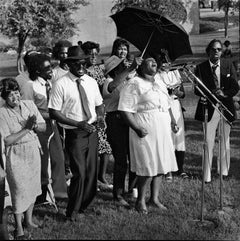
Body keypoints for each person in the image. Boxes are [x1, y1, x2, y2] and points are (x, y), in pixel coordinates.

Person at [48, 46, 105, 221]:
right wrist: (78, 123)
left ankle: (83, 206)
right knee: (79, 173)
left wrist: (101, 117)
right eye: (76, 64)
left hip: (92, 131)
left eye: (83, 63)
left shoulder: (91, 81)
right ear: (69, 64)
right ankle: (71, 212)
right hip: (75, 133)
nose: (81, 67)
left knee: (91, 173)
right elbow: (54, 112)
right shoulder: (61, 84)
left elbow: (99, 103)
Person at [118, 57, 178, 214]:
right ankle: (140, 201)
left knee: (161, 162)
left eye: (155, 61)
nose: (154, 63)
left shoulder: (159, 81)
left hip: (162, 127)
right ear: (140, 66)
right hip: (144, 128)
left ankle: (154, 199)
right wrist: (137, 128)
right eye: (149, 61)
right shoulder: (134, 83)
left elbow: (167, 103)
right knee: (147, 164)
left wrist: (172, 121)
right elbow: (124, 110)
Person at [0, 78, 46, 239]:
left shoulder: (30, 105)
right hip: (16, 154)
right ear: (4, 97)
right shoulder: (2, 113)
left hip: (33, 150)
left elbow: (43, 126)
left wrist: (34, 126)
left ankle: (29, 220)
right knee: (19, 190)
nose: (15, 97)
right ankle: (18, 227)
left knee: (33, 187)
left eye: (16, 93)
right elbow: (7, 140)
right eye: (10, 95)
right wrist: (26, 129)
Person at [194, 39, 239, 183]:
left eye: (219, 49)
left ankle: (223, 172)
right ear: (208, 51)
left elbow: (235, 87)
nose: (216, 52)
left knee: (225, 140)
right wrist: (212, 93)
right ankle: (206, 175)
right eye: (213, 49)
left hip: (226, 108)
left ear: (222, 51)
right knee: (208, 141)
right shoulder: (200, 67)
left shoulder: (228, 64)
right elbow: (196, 89)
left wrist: (224, 94)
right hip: (209, 108)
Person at [103, 45, 142, 207]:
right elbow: (111, 89)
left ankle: (131, 189)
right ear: (114, 69)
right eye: (121, 66)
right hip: (115, 121)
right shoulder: (108, 81)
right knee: (121, 160)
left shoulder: (127, 80)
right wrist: (130, 69)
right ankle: (117, 194)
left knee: (134, 157)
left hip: (129, 120)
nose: (124, 67)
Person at [25, 53, 68, 200]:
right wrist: (52, 115)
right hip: (39, 127)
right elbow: (28, 110)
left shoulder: (50, 83)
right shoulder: (30, 86)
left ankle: (59, 192)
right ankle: (41, 195)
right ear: (37, 71)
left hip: (53, 124)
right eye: (47, 68)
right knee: (43, 162)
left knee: (58, 158)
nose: (51, 70)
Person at [81, 41, 113, 189]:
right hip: (87, 112)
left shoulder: (99, 71)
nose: (93, 56)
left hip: (101, 110)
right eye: (90, 54)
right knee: (92, 146)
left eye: (95, 53)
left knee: (105, 146)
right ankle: (91, 178)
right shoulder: (82, 71)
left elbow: (103, 90)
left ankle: (102, 176)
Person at [154, 52, 189, 180]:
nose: (166, 64)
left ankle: (180, 169)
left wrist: (176, 92)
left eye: (168, 62)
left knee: (179, 136)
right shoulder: (156, 76)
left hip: (175, 105)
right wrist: (168, 92)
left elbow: (183, 94)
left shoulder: (175, 73)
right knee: (167, 137)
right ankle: (167, 169)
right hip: (164, 107)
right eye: (162, 62)